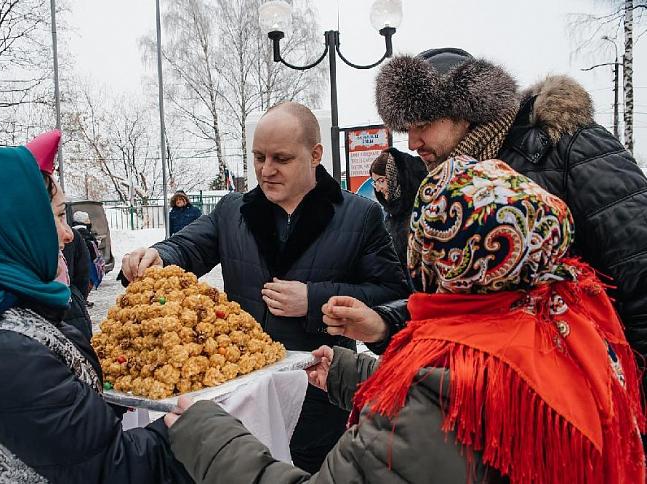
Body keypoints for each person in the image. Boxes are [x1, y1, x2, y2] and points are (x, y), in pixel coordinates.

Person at [162, 156, 646, 483]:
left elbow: (432, 409)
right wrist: (357, 375)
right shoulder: (567, 313)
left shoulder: (464, 379)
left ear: (445, 260)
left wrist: (212, 434)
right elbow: (438, 414)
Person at [121, 101, 407, 472]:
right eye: (258, 157)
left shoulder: (360, 215)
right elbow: (187, 246)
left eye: (281, 159)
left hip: (317, 398)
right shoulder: (233, 209)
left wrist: (314, 299)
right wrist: (158, 256)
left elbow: (391, 295)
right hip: (240, 401)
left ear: (315, 155)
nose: (265, 170)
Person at [328, 47, 647, 368]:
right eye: (405, 129)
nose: (412, 143)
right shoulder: (449, 183)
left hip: (585, 383)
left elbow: (639, 265)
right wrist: (384, 324)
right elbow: (456, 299)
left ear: (465, 110)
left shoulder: (565, 146)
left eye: (422, 124)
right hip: (503, 384)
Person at [0, 131, 192, 483]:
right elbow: (111, 469)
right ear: (19, 224)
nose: (69, 235)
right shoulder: (4, 351)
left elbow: (45, 427)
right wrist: (197, 431)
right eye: (60, 216)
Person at [369, 147, 428, 266]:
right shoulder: (392, 212)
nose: (378, 188)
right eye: (375, 182)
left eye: (381, 180)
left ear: (395, 177)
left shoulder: (420, 211)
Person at [72, 210, 105, 296]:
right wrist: (95, 243)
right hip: (87, 262)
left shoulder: (74, 231)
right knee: (88, 281)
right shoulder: (82, 231)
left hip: (82, 262)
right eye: (88, 219)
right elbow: (88, 245)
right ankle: (83, 299)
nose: (89, 221)